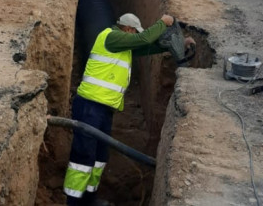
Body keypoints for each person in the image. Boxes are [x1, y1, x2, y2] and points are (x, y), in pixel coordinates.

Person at [62, 13, 195, 206]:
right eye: (134, 32)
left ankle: (90, 200)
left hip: (103, 109)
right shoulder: (111, 37)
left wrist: (181, 43)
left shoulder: (123, 46)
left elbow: (147, 47)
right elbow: (143, 39)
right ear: (127, 29)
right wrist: (162, 23)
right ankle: (74, 203)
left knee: (99, 157)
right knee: (83, 158)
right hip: (89, 106)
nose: (135, 35)